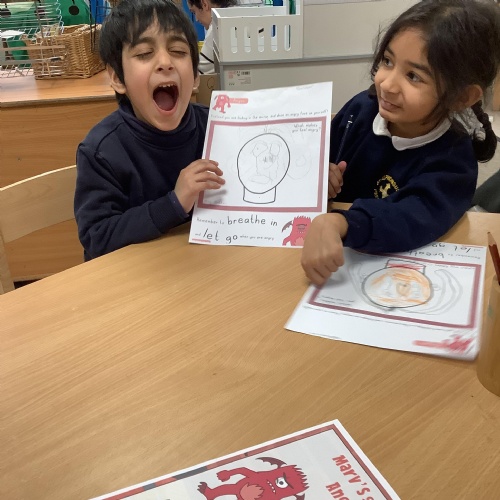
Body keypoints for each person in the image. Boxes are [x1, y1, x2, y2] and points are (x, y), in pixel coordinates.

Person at [301, 0, 500, 286]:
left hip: (388, 276)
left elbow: (413, 217)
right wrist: (319, 175)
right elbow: (314, 157)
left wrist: (343, 222)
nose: (387, 84)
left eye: (413, 76)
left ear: (462, 97)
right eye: (387, 61)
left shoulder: (453, 160)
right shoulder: (360, 110)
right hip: (318, 254)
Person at [74, 0, 225, 260]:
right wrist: (174, 203)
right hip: (133, 275)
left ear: (195, 76)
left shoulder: (217, 127)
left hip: (202, 267)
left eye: (178, 51)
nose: (165, 62)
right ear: (118, 78)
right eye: (144, 53)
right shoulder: (101, 151)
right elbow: (97, 237)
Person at [187, 0, 237, 74]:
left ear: (204, 4)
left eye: (194, 12)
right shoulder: (239, 14)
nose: (196, 19)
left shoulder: (217, 27)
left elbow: (197, 74)